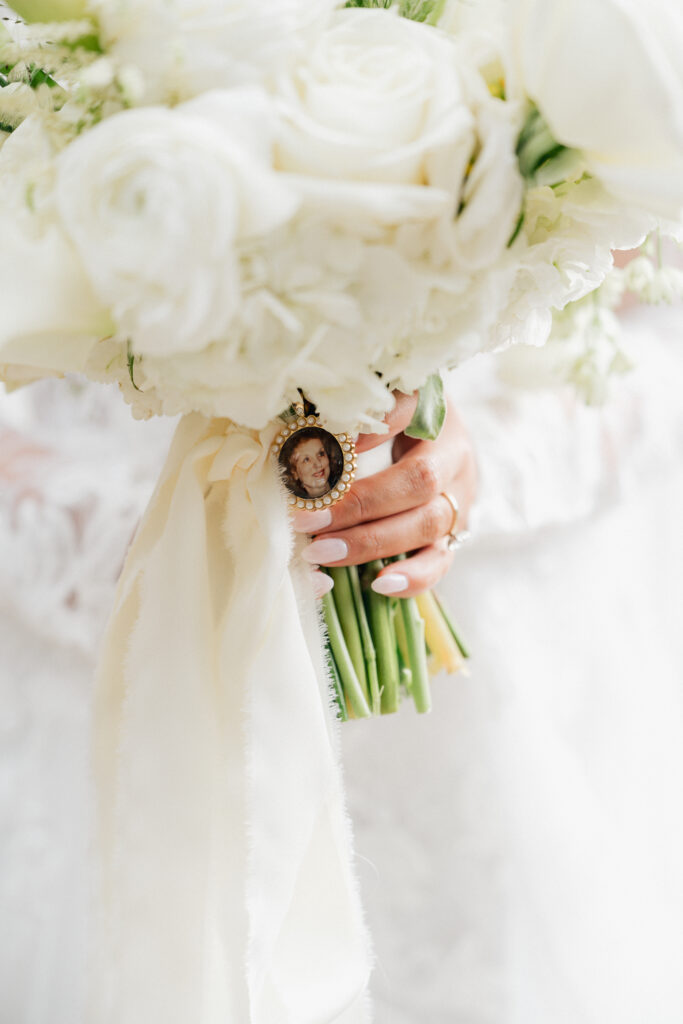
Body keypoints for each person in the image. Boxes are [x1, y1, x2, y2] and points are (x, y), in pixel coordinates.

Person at [1, 299, 683, 1023]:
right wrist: (163, 550)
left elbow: (654, 308)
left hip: (496, 646)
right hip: (110, 614)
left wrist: (469, 470)